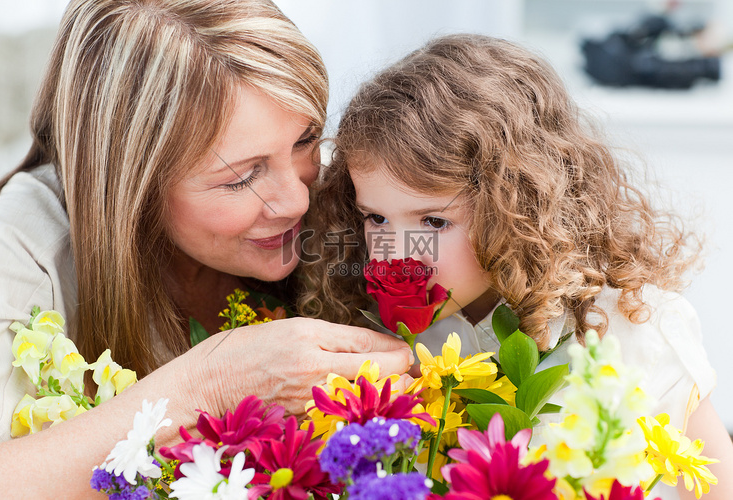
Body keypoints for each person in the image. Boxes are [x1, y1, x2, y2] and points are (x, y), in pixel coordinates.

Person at [0, 0, 413, 496]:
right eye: (241, 178)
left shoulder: (360, 201)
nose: (297, 199)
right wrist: (210, 385)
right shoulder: (16, 255)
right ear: (132, 186)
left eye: (306, 139)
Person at [299, 34, 733, 499]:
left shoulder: (637, 329)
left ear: (518, 207)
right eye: (377, 218)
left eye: (434, 220)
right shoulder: (386, 347)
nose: (397, 252)